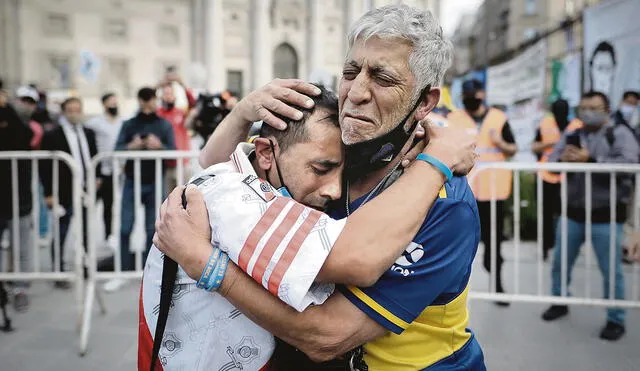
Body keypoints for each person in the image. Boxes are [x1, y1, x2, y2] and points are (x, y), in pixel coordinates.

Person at [155, 4, 485, 370]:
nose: (355, 93)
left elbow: (328, 336)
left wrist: (206, 264)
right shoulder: (334, 149)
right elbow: (219, 169)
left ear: (424, 102)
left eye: (382, 78)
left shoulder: (445, 202)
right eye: (350, 72)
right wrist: (243, 112)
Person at [541, 91, 640, 341]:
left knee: (611, 271)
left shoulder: (619, 133)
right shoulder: (574, 134)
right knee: (560, 263)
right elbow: (552, 161)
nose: (587, 112)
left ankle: (615, 318)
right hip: (572, 213)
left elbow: (629, 164)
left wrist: (591, 160)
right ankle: (559, 301)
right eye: (583, 107)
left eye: (594, 107)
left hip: (606, 216)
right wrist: (563, 159)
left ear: (607, 109)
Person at [448, 79, 517, 304]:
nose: (470, 98)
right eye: (467, 94)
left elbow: (513, 148)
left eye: (474, 93)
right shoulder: (454, 118)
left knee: (494, 242)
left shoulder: (499, 118)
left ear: (482, 94)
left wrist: (499, 142)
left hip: (494, 190)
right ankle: (451, 292)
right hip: (463, 191)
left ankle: (497, 285)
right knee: (458, 241)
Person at [105, 87, 175, 292]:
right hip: (131, 181)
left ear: (155, 100)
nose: (147, 104)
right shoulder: (129, 124)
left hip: (155, 181)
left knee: (151, 230)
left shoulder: (164, 125)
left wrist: (159, 146)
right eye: (143, 100)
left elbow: (173, 151)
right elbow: (117, 149)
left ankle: (148, 273)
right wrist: (131, 146)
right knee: (125, 227)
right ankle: (123, 271)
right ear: (139, 101)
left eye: (150, 100)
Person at [40, 97, 98, 290]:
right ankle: (58, 271)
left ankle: (87, 266)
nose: (74, 113)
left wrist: (96, 179)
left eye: (77, 109)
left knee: (86, 231)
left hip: (84, 189)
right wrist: (48, 193)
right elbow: (45, 167)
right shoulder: (52, 135)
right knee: (61, 231)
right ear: (64, 112)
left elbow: (94, 156)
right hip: (62, 191)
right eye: (70, 109)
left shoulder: (88, 133)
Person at [531, 99, 583, 260]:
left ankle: (565, 247)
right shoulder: (545, 124)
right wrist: (553, 143)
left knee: (567, 215)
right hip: (546, 175)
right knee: (546, 214)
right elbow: (535, 147)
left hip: (570, 178)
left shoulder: (577, 126)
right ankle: (546, 247)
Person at [0, 105, 34, 311]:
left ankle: (20, 289)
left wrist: (6, 106)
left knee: (22, 247)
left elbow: (24, 133)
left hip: (18, 199)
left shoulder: (16, 124)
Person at [85, 92, 123, 251]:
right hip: (98, 170)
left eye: (115, 101)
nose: (114, 104)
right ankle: (84, 239)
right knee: (89, 205)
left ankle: (108, 236)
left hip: (115, 171)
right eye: (110, 102)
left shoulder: (122, 122)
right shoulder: (94, 123)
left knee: (109, 206)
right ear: (104, 104)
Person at [156, 84, 192, 190]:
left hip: (182, 162)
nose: (168, 96)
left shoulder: (181, 113)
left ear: (175, 96)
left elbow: (193, 104)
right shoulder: (158, 114)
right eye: (165, 94)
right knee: (167, 199)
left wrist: (182, 84)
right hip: (165, 163)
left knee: (183, 197)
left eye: (170, 94)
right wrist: (160, 83)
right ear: (161, 97)